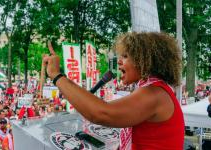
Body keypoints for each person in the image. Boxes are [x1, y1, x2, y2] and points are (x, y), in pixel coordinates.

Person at [43, 32, 185, 149]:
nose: (119, 61)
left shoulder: (154, 93)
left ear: (145, 60)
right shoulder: (155, 90)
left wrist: (56, 75)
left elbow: (101, 113)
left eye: (125, 56)